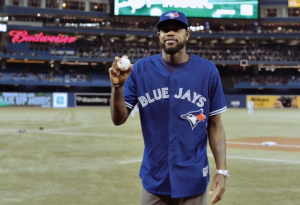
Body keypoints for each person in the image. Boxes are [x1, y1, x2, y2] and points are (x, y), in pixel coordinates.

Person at [109, 11, 228, 205]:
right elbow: (118, 119)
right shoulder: (140, 69)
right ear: (159, 36)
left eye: (176, 29)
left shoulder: (207, 71)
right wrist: (117, 87)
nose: (169, 33)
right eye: (164, 30)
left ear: (187, 34)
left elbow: (215, 125)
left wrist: (222, 171)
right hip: (155, 178)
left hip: (194, 179)